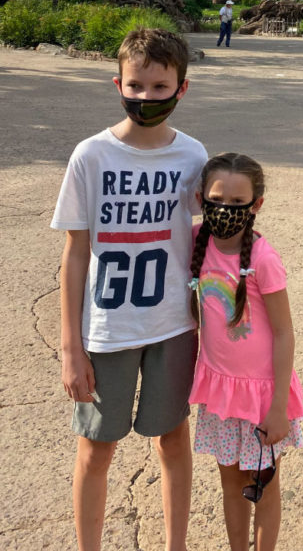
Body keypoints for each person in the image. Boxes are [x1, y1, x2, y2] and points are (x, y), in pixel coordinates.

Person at [52, 28, 207, 551]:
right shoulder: (91, 156)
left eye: (159, 87)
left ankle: (175, 544)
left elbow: (209, 238)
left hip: (173, 325)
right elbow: (74, 255)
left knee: (172, 440)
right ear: (118, 83)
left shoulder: (192, 156)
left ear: (181, 88)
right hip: (107, 327)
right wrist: (71, 348)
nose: (145, 98)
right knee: (96, 449)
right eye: (136, 86)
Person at [189, 152, 303, 551]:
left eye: (238, 203)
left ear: (256, 205)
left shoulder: (263, 259)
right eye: (217, 198)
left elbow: (284, 332)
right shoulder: (195, 244)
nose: (226, 209)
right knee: (231, 483)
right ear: (201, 197)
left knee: (263, 485)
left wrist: (277, 407)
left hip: (261, 397)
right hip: (221, 394)